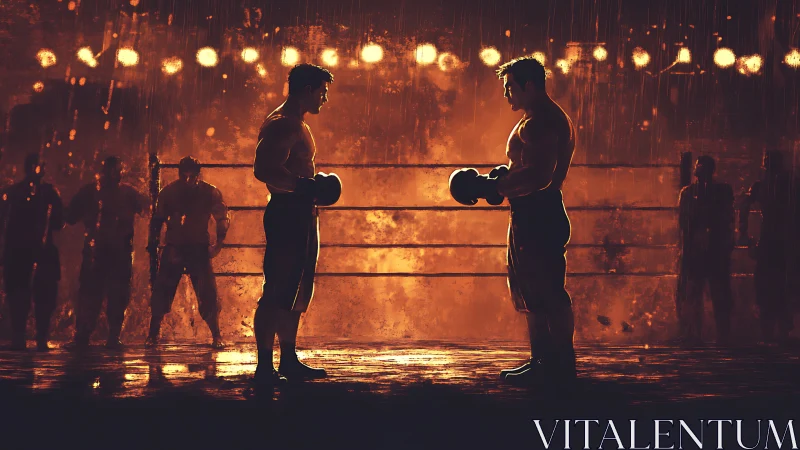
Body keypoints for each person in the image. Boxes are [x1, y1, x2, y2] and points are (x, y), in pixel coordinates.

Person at [489, 56, 577, 384]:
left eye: (509, 87)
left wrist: (497, 185)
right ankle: (544, 361)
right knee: (533, 291)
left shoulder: (541, 121)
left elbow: (540, 175)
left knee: (546, 290)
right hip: (534, 211)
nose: (506, 94)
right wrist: (503, 181)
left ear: (529, 85)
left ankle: (555, 364)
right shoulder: (542, 118)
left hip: (537, 211)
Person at [252, 63, 337, 385]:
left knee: (296, 289)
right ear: (308, 90)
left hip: (300, 211)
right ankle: (264, 366)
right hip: (288, 211)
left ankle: (287, 359)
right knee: (277, 289)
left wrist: (306, 189)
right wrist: (303, 187)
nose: (325, 99)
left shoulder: (297, 123)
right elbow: (264, 170)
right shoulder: (283, 124)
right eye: (323, 92)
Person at [64, 156, 149, 349]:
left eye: (116, 171)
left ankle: (96, 336)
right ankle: (93, 336)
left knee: (104, 294)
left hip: (108, 253)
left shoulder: (111, 192)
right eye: (113, 170)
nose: (114, 174)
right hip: (105, 253)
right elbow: (69, 216)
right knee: (96, 294)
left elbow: (69, 217)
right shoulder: (113, 192)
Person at [146, 156, 229, 349]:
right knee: (163, 290)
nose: (188, 180)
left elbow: (222, 217)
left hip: (197, 247)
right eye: (185, 176)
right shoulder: (169, 193)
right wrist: (153, 243)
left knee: (207, 292)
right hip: (175, 246)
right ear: (179, 174)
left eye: (192, 176)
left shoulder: (209, 192)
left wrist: (219, 242)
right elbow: (157, 219)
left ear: (198, 175)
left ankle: (216, 335)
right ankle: (152, 334)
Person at [0, 153, 64, 351]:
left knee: (33, 295)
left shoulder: (19, 192)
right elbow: (59, 222)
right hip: (24, 252)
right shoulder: (18, 193)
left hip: (28, 251)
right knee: (27, 295)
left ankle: (32, 337)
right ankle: (32, 337)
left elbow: (58, 221)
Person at [739, 150, 797, 342]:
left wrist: (744, 233)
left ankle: (772, 326)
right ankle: (777, 325)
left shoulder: (767, 185)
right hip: (783, 240)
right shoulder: (789, 184)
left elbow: (745, 205)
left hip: (775, 240)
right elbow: (745, 206)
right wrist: (744, 233)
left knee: (770, 283)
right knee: (779, 283)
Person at [676, 156, 735, 345]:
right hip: (709, 250)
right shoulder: (718, 192)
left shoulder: (691, 193)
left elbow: (685, 224)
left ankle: (700, 333)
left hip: (706, 250)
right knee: (709, 292)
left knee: (704, 292)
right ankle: (713, 334)